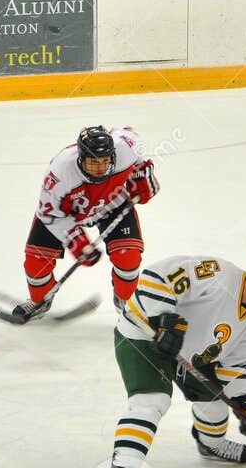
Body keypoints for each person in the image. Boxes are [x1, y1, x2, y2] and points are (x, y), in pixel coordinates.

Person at [98, 251, 246, 468]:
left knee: (215, 405)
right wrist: (163, 319)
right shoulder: (218, 274)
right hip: (145, 335)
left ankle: (211, 445)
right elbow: (158, 276)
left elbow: (237, 365)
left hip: (188, 357)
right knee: (151, 402)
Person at [15, 126, 158, 323]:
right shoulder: (60, 172)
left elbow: (132, 141)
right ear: (81, 158)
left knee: (128, 257)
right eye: (93, 163)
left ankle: (127, 303)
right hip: (65, 214)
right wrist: (77, 242)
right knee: (36, 263)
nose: (100, 168)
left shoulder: (126, 148)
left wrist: (142, 173)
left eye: (105, 161)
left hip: (111, 203)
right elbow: (49, 215)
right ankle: (40, 301)